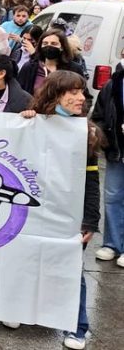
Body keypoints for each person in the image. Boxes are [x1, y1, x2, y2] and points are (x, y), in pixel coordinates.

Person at [20, 72, 101, 350]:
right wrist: (21, 122)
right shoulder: (33, 124)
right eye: (74, 92)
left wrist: (90, 220)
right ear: (55, 94)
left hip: (69, 215)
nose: (81, 98)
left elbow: (92, 183)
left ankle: (78, 326)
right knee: (28, 260)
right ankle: (20, 310)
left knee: (71, 270)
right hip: (35, 211)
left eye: (83, 93)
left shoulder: (85, 133)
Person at [90, 49, 124, 268]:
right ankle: (112, 243)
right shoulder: (114, 83)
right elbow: (99, 115)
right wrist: (105, 135)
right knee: (112, 196)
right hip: (117, 150)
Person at [16, 29, 88, 97]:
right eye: (45, 43)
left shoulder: (74, 69)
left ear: (62, 47)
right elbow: (19, 93)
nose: (49, 46)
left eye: (54, 43)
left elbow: (84, 95)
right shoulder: (30, 67)